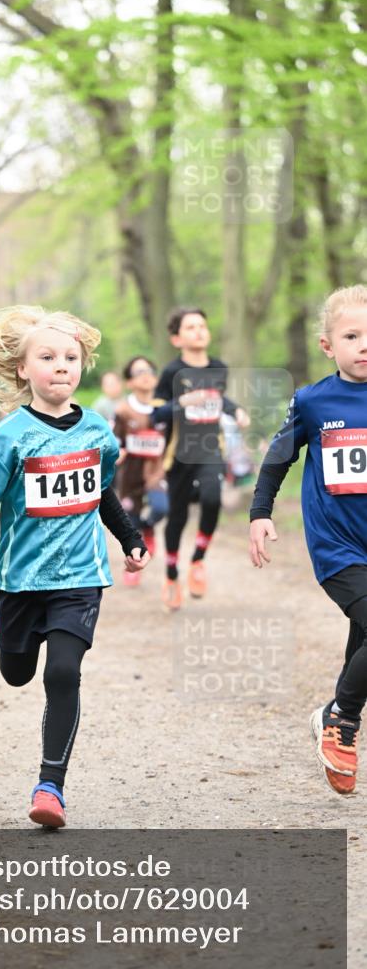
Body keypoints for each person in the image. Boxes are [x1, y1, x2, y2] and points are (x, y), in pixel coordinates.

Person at [0, 305, 149, 828]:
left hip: (81, 579)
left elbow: (102, 492)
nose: (61, 365)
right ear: (23, 370)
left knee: (63, 673)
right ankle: (6, 635)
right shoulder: (6, 438)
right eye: (47, 357)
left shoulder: (98, 431)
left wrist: (130, 538)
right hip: (20, 579)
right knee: (18, 674)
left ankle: (50, 787)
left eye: (71, 357)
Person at [249, 285, 367, 795]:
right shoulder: (313, 402)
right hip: (338, 548)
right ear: (327, 345)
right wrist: (259, 514)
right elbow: (278, 459)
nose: (364, 344)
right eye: (352, 335)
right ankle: (341, 720)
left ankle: (335, 721)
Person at [154, 307, 249, 611]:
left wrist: (236, 411)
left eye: (202, 326)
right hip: (179, 452)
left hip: (210, 447)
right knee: (178, 517)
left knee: (212, 498)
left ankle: (197, 560)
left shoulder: (219, 368)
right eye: (190, 327)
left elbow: (219, 400)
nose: (198, 331)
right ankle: (171, 575)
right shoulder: (171, 372)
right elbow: (155, 412)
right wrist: (182, 401)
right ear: (176, 338)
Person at [113, 356, 168, 580]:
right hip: (130, 473)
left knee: (161, 508)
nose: (146, 375)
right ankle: (134, 565)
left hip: (156, 471)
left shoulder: (164, 408)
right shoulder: (123, 410)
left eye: (150, 370)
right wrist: (118, 451)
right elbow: (114, 440)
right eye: (139, 372)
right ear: (129, 382)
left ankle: (149, 528)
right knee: (131, 519)